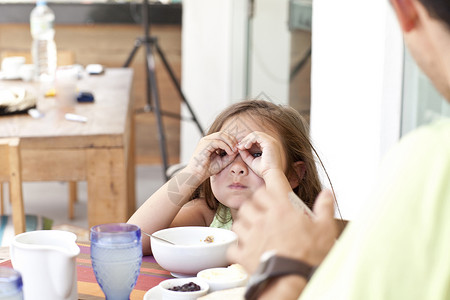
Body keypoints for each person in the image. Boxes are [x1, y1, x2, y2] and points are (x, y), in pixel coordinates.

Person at [227, 0, 450, 299]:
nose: (238, 166)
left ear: (405, 10)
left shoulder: (431, 160)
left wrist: (285, 273)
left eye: (254, 154)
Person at [128, 100, 323, 255]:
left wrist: (272, 172)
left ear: (293, 175)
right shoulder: (208, 215)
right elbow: (132, 241)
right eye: (223, 153)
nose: (237, 168)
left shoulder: (308, 225)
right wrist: (194, 171)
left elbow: (303, 248)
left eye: (257, 154)